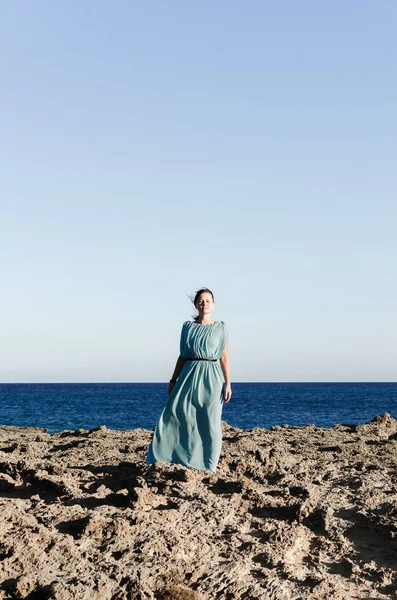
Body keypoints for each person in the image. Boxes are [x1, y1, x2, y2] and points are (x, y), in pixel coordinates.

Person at [146, 288, 232, 472]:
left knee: (210, 420)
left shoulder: (221, 327)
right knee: (176, 415)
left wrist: (228, 384)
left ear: (214, 304)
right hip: (188, 374)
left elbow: (224, 358)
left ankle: (209, 464)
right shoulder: (188, 327)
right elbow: (182, 356)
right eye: (201, 301)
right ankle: (168, 456)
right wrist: (173, 380)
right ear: (196, 304)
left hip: (212, 376)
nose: (205, 304)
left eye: (208, 300)